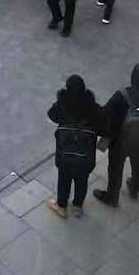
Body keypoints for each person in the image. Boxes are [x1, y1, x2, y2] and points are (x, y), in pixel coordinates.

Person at [93, 62, 139, 207]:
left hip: (120, 141)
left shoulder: (121, 96)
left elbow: (105, 116)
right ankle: (134, 187)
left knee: (116, 168)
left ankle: (112, 197)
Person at [46, 74, 102, 219]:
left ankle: (61, 206)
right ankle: (77, 206)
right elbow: (101, 122)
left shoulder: (62, 105)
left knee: (64, 179)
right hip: (85, 155)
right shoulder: (92, 107)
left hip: (65, 153)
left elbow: (51, 115)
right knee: (82, 179)